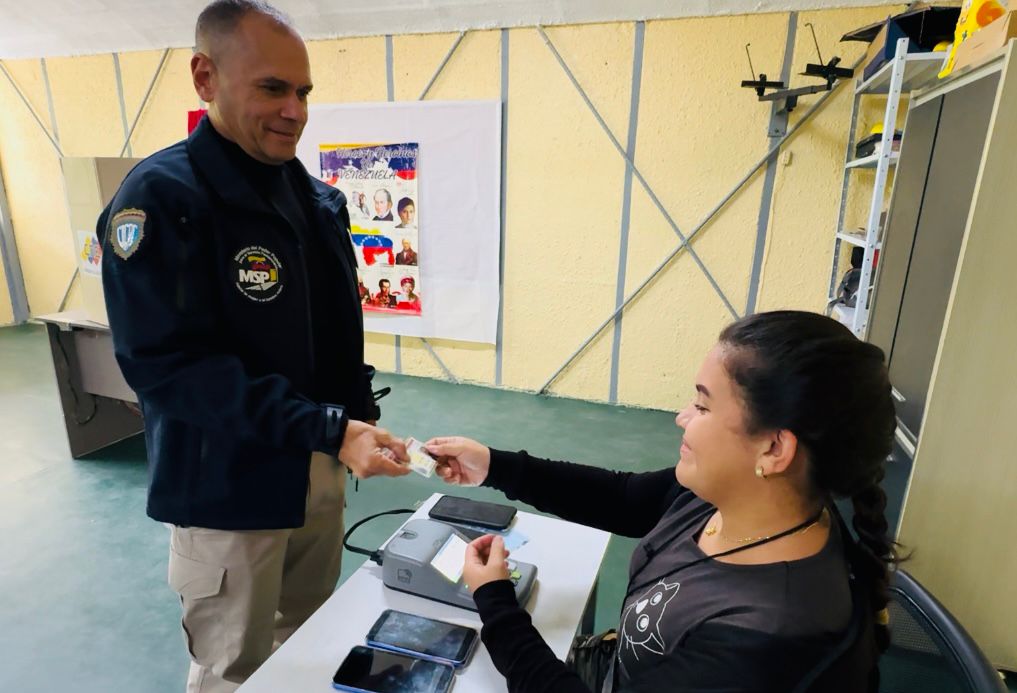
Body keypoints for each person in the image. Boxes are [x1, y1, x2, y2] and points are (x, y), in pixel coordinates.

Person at [97, 2, 411, 691]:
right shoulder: (161, 200)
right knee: (232, 667)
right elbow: (169, 369)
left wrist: (357, 421)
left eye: (302, 92)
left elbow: (330, 336)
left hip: (316, 472)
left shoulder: (318, 200)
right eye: (272, 88)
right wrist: (329, 425)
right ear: (205, 77)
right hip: (226, 491)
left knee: (308, 635)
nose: (294, 110)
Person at [426, 311, 898, 693]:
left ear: (774, 449)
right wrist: (493, 465)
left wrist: (495, 601)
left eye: (703, 406)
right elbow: (626, 498)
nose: (680, 417)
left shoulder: (760, 643)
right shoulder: (745, 500)